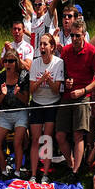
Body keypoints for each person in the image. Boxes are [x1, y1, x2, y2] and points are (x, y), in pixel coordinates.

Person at [57, 23, 95, 177]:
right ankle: (71, 164)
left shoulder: (92, 51)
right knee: (60, 135)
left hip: (84, 97)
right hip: (67, 95)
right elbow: (60, 73)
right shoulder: (66, 51)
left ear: (84, 35)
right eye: (72, 35)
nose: (74, 38)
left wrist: (83, 90)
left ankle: (76, 171)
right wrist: (66, 80)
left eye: (78, 35)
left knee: (78, 135)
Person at [27, 34, 65, 180]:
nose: (42, 47)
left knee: (47, 138)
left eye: (45, 45)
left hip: (52, 104)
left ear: (52, 47)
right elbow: (31, 90)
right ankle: (33, 173)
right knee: (35, 139)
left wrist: (48, 80)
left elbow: (56, 90)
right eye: (40, 44)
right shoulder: (35, 63)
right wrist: (42, 80)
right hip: (37, 103)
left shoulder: (58, 63)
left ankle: (45, 174)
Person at [0, 52, 30, 178]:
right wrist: (3, 93)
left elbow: (25, 100)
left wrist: (17, 93)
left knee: (17, 142)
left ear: (16, 63)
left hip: (20, 112)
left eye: (11, 61)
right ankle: (4, 170)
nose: (8, 64)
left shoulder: (23, 76)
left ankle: (17, 172)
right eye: (6, 61)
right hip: (5, 113)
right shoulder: (1, 76)